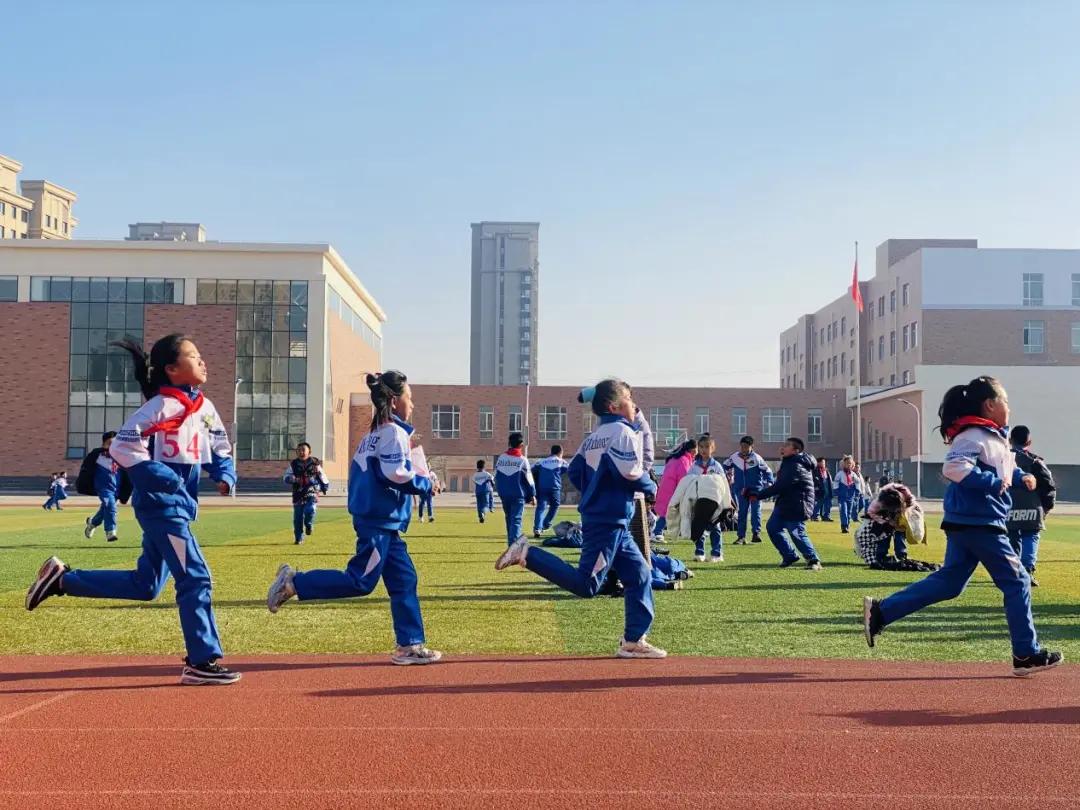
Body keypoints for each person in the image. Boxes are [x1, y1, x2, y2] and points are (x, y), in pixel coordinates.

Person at [26, 334, 241, 685]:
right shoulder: (159, 407)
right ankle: (201, 661)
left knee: (146, 585)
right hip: (161, 506)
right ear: (172, 369)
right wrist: (163, 478)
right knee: (196, 577)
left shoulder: (205, 407)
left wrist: (225, 475)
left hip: (179, 505)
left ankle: (61, 579)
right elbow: (123, 447)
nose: (203, 361)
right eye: (194, 355)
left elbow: (219, 445)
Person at [863, 376, 1062, 676]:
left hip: (969, 520)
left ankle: (881, 613)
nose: (1009, 408)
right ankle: (1025, 653)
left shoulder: (993, 437)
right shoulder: (973, 435)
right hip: (980, 522)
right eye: (1006, 402)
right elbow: (954, 468)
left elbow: (1003, 470)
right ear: (990, 405)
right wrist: (993, 483)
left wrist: (1021, 478)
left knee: (950, 583)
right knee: (1018, 581)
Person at [267, 370, 442, 666]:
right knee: (360, 580)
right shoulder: (393, 433)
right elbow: (394, 473)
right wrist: (426, 484)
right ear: (395, 401)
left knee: (404, 579)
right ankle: (295, 583)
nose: (412, 404)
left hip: (381, 521)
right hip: (378, 521)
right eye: (409, 398)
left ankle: (409, 644)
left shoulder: (375, 434)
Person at [495, 378, 666, 659]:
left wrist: (595, 490)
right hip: (607, 520)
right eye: (628, 399)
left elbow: (574, 471)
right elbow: (632, 473)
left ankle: (633, 640)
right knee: (587, 585)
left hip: (611, 519)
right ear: (613, 406)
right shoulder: (622, 432)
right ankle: (528, 554)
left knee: (640, 574)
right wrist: (651, 487)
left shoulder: (594, 436)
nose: (633, 404)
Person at [754, 437, 822, 570]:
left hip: (798, 504)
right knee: (773, 527)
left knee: (796, 531)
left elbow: (781, 486)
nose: (782, 447)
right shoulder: (789, 462)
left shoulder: (795, 465)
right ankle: (789, 555)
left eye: (786, 445)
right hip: (785, 503)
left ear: (796, 451)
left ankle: (813, 559)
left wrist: (758, 495)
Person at [1006, 425, 1056, 587]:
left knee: (1011, 537)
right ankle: (1027, 570)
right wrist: (1046, 508)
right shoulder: (1036, 462)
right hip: (1032, 509)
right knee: (1031, 536)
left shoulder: (1003, 460)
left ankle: (1013, 571)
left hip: (1008, 508)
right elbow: (1049, 486)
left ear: (1010, 440)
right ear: (1029, 442)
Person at [667, 442, 734, 563]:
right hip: (698, 501)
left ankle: (716, 553)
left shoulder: (717, 466)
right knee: (698, 524)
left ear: (712, 448)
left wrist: (728, 502)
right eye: (701, 447)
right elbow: (688, 482)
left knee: (715, 526)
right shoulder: (694, 466)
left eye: (707, 447)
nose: (704, 450)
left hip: (714, 503)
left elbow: (723, 484)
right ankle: (699, 552)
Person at [723, 435, 774, 545]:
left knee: (755, 511)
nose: (743, 449)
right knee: (742, 512)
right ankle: (741, 537)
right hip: (741, 490)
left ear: (751, 446)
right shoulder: (734, 457)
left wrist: (769, 483)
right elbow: (724, 466)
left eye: (746, 446)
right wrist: (726, 475)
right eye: (742, 446)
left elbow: (768, 471)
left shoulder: (757, 458)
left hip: (755, 490)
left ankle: (756, 534)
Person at [284, 442, 329, 545]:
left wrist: (325, 486)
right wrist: (291, 479)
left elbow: (322, 475)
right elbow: (286, 477)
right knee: (298, 517)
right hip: (298, 492)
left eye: (303, 450)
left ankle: (309, 524)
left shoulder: (314, 463)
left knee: (310, 509)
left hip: (312, 490)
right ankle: (299, 538)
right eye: (299, 450)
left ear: (309, 451)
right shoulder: (293, 464)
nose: (301, 452)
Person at [494, 432, 535, 545]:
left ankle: (511, 544)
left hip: (504, 494)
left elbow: (497, 476)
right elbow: (529, 479)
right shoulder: (522, 460)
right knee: (516, 520)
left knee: (509, 519)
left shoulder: (501, 458)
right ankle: (513, 546)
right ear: (521, 444)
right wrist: (532, 495)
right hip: (517, 494)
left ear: (509, 443)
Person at [652, 439, 696, 540]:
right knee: (668, 513)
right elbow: (684, 479)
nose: (696, 454)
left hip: (667, 489)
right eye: (695, 451)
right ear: (691, 450)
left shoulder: (675, 459)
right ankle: (657, 532)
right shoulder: (684, 461)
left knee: (668, 512)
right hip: (672, 491)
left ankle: (658, 531)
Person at [83, 432, 121, 542]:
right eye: (110, 443)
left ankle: (92, 523)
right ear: (104, 443)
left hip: (116, 488)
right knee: (110, 506)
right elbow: (86, 468)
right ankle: (110, 531)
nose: (113, 446)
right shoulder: (97, 455)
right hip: (103, 487)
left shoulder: (120, 456)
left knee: (105, 508)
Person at [532, 445, 569, 538]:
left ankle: (537, 528)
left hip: (542, 487)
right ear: (560, 452)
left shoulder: (541, 461)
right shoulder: (561, 461)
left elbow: (531, 470)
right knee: (555, 506)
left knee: (541, 508)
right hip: (554, 488)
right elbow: (570, 469)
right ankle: (546, 524)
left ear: (551, 452)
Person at [832, 455, 863, 535]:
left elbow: (858, 482)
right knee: (843, 510)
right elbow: (836, 482)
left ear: (852, 465)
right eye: (847, 463)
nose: (848, 465)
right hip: (842, 495)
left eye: (850, 463)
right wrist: (836, 491)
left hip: (851, 495)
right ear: (844, 464)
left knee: (849, 511)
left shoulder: (853, 474)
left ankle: (847, 524)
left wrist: (857, 491)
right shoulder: (840, 474)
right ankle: (844, 526)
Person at [811, 457, 834, 522]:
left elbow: (829, 481)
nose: (823, 464)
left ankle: (826, 517)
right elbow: (814, 480)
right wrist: (816, 487)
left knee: (828, 504)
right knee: (818, 504)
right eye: (822, 462)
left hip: (828, 490)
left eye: (824, 462)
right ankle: (815, 516)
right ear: (818, 463)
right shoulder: (815, 471)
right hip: (820, 490)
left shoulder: (826, 471)